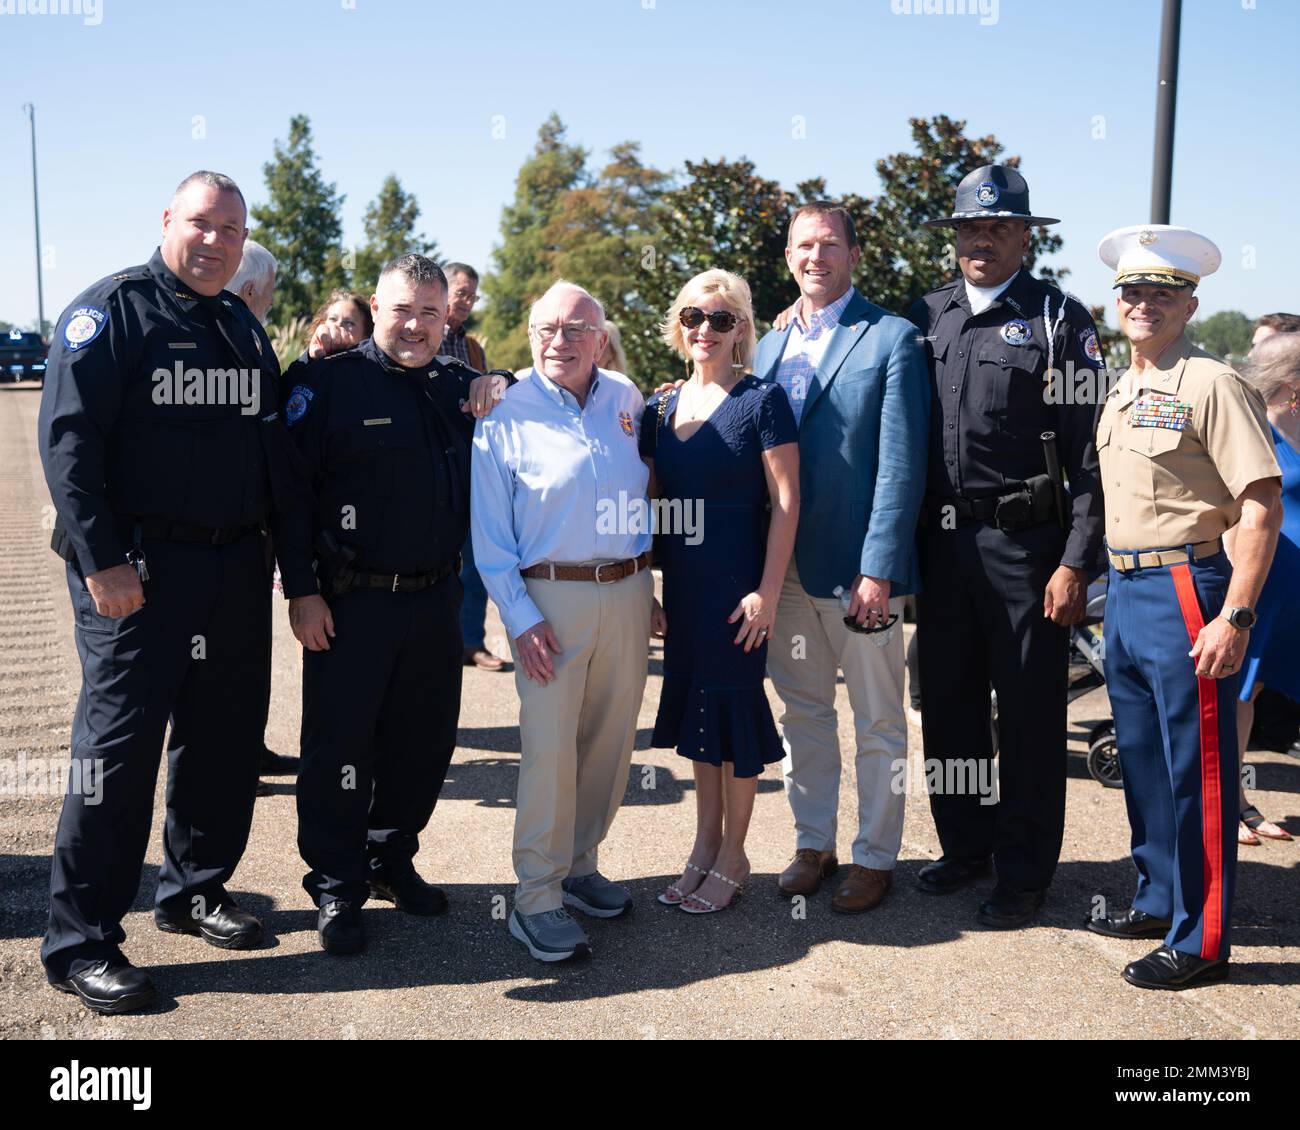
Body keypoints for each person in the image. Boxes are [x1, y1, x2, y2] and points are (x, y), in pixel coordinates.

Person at [37, 170, 316, 1014]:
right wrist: (102, 559)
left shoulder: (238, 321)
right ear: (168, 221)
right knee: (117, 756)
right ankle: (82, 938)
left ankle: (194, 891)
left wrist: (295, 578)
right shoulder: (111, 311)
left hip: (232, 569)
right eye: (202, 223)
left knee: (224, 738)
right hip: (138, 573)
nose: (217, 241)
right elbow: (70, 440)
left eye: (232, 230)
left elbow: (273, 460)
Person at [282, 254, 506, 956]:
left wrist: (499, 381)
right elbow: (289, 500)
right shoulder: (328, 386)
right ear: (375, 308)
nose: (415, 325)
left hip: (436, 598)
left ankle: (390, 857)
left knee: (423, 741)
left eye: (430, 313)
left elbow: (521, 398)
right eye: (403, 309)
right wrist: (302, 592)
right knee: (339, 747)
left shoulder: (458, 386)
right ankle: (337, 883)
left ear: (449, 319)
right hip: (351, 604)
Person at [907, 165, 1105, 928]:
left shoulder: (1059, 320)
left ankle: (1023, 876)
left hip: (1029, 550)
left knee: (1026, 716)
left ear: (1025, 235)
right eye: (968, 228)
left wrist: (1075, 561)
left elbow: (1091, 455)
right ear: (954, 238)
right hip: (944, 547)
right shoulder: (925, 316)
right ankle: (966, 849)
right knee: (949, 707)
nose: (980, 240)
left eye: (996, 228)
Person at [1086, 225, 1282, 990]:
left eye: (1162, 293)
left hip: (1185, 589)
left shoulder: (1210, 383)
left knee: (1196, 769)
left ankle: (1201, 940)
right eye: (1132, 291)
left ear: (1189, 303)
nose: (1144, 303)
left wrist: (1235, 616)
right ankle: (1159, 896)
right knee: (1140, 762)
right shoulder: (1123, 383)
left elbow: (1259, 507)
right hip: (1127, 591)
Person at [755, 201, 930, 914]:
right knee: (802, 714)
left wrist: (879, 567)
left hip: (858, 572)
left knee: (880, 722)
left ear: (854, 254)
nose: (815, 257)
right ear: (789, 256)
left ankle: (876, 857)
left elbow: (901, 465)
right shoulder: (766, 347)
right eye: (803, 245)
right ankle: (813, 843)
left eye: (829, 244)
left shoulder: (893, 339)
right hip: (782, 571)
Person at [472, 281, 655, 962]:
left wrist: (647, 588)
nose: (562, 341)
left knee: (609, 745)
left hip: (629, 591)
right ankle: (536, 898)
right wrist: (519, 618)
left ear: (601, 338)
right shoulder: (501, 410)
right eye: (548, 328)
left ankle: (581, 865)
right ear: (529, 333)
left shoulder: (627, 399)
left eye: (577, 329)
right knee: (549, 752)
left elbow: (642, 494)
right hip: (548, 601)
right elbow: (490, 537)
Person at [642, 270, 799, 913]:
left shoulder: (764, 400)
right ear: (679, 327)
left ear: (741, 330)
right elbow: (645, 503)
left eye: (720, 319)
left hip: (739, 590)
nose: (704, 329)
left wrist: (767, 591)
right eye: (692, 317)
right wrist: (646, 587)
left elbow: (788, 502)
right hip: (682, 589)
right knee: (700, 721)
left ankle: (735, 854)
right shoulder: (659, 407)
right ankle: (703, 846)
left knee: (732, 720)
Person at [225, 240, 299, 788]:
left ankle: (247, 745)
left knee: (244, 658)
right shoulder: (231, 339)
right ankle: (232, 755)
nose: (270, 308)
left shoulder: (246, 339)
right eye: (270, 299)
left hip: (246, 538)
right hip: (213, 541)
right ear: (251, 291)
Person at [1229, 331, 1300, 844]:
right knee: (1241, 691)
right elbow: (1236, 522)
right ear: (1293, 385)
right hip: (1266, 588)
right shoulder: (1253, 437)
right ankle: (1233, 802)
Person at [439, 262, 506, 672]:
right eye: (460, 292)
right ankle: (438, 642)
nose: (466, 301)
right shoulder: (423, 338)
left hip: (470, 462)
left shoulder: (474, 348)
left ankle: (472, 641)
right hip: (430, 461)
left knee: (475, 557)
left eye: (471, 295)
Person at [304, 290, 373, 361]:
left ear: (366, 335)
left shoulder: (371, 366)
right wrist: (309, 358)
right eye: (332, 319)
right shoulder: (307, 360)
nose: (338, 325)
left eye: (349, 323)